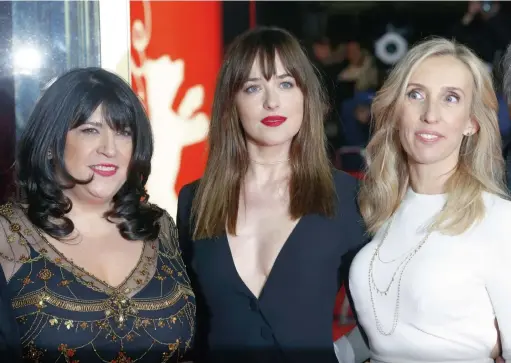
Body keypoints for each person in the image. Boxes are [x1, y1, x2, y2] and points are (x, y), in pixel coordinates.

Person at [177, 27, 367, 363]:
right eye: (253, 87)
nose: (272, 101)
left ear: (305, 95)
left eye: (285, 83)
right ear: (230, 103)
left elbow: (385, 316)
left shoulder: (348, 196)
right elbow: (193, 326)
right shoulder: (195, 201)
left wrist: (339, 355)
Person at [0, 67, 195, 362]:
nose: (110, 149)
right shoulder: (8, 234)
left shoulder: (159, 227)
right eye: (90, 130)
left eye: (123, 133)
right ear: (51, 144)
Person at [349, 37, 511, 362]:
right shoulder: (378, 208)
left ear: (471, 122)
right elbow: (387, 331)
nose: (430, 114)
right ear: (395, 111)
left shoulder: (499, 220)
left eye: (451, 98)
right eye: (416, 94)